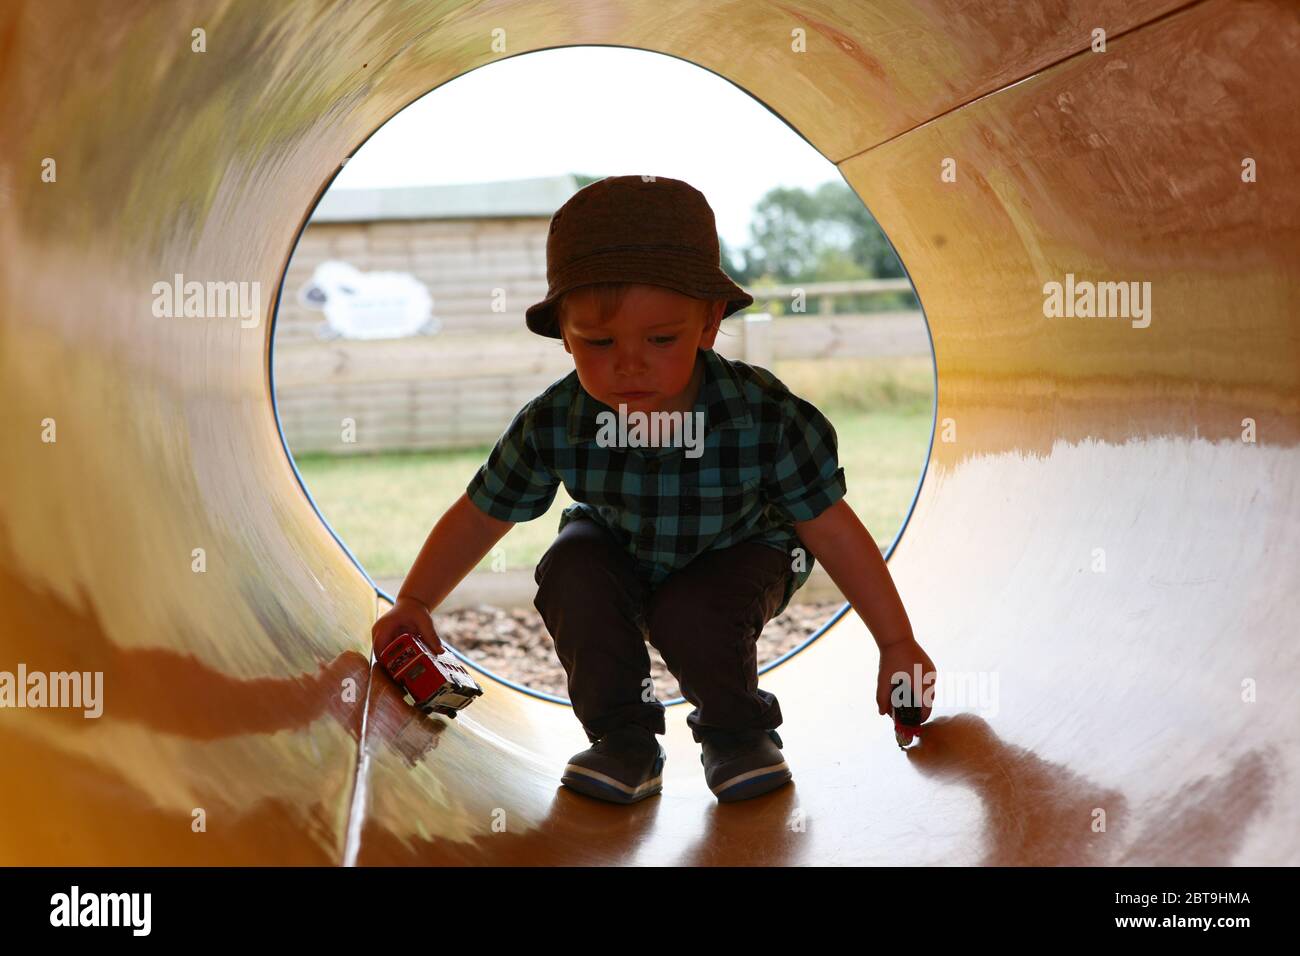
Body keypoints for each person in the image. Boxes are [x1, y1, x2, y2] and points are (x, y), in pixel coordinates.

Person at [372, 175, 936, 804]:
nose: (629, 363)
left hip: (744, 549)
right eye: (599, 342)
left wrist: (896, 643)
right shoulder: (557, 420)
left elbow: (830, 527)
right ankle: (623, 740)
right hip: (621, 549)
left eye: (660, 339)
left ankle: (737, 734)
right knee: (570, 564)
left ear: (710, 322)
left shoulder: (764, 416)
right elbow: (482, 515)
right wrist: (416, 600)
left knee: (692, 611)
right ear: (564, 331)